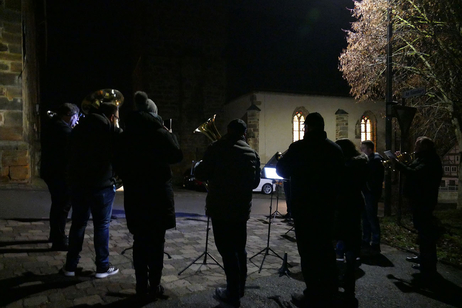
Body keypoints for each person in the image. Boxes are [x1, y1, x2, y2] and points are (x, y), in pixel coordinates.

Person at [116, 91, 183, 298]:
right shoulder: (159, 132)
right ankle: (154, 285)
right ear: (154, 114)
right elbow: (177, 155)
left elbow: (118, 162)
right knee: (156, 243)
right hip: (157, 197)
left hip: (135, 195)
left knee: (139, 241)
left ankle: (140, 285)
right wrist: (168, 132)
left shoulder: (126, 134)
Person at [276, 112, 344, 308]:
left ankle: (312, 294)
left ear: (306, 127)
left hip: (305, 208)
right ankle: (330, 291)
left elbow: (281, 169)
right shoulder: (334, 149)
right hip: (327, 208)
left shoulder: (299, 147)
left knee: (308, 252)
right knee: (325, 249)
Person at [195, 119, 261, 308]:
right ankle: (239, 287)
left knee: (226, 250)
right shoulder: (252, 152)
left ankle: (232, 293)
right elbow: (255, 184)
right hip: (241, 209)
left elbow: (200, 174)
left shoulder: (216, 148)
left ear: (228, 130)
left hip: (220, 208)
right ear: (244, 133)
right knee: (240, 248)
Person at [62, 100, 122, 279]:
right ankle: (102, 267)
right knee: (101, 225)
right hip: (101, 185)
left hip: (79, 184)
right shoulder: (109, 129)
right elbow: (120, 150)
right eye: (117, 116)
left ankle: (70, 266)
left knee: (78, 224)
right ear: (112, 116)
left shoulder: (79, 127)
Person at [394, 136, 443, 278]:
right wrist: (401, 161)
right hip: (418, 199)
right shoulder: (423, 158)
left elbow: (414, 174)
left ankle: (428, 265)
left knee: (426, 233)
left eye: (417, 145)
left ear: (424, 147)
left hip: (424, 200)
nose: (415, 147)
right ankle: (423, 258)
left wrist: (397, 164)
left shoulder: (430, 160)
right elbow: (412, 168)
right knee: (422, 231)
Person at [40, 103, 80, 251]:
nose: (76, 119)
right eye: (75, 116)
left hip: (51, 171)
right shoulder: (63, 129)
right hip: (59, 173)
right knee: (62, 206)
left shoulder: (53, 124)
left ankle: (55, 234)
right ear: (68, 115)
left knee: (57, 204)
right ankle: (59, 239)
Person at [334, 139, 368, 307]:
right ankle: (349, 288)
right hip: (355, 206)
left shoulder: (345, 168)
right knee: (352, 248)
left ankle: (336, 283)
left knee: (339, 242)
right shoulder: (360, 164)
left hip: (343, 208)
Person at [360, 140, 384, 255]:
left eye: (363, 148)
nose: (361, 150)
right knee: (366, 217)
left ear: (369, 150)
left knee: (371, 217)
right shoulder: (371, 160)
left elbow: (372, 178)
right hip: (367, 192)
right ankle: (366, 239)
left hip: (370, 193)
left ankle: (375, 242)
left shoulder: (375, 161)